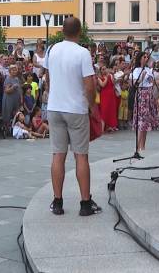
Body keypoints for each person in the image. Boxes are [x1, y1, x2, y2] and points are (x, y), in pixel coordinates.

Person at [44, 17, 100, 217]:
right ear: (79, 33)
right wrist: (92, 106)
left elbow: (47, 78)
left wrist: (53, 95)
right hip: (76, 109)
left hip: (55, 107)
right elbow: (89, 84)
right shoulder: (83, 53)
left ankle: (57, 202)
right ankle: (85, 203)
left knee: (58, 155)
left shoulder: (52, 50)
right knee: (80, 155)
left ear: (61, 31)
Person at [97, 66, 118, 132]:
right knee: (104, 111)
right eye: (103, 69)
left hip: (111, 95)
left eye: (105, 69)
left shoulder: (110, 76)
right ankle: (102, 128)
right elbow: (102, 85)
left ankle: (109, 126)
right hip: (104, 95)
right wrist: (106, 78)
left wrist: (113, 75)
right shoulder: (99, 78)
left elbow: (114, 83)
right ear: (100, 71)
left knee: (110, 110)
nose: (104, 70)